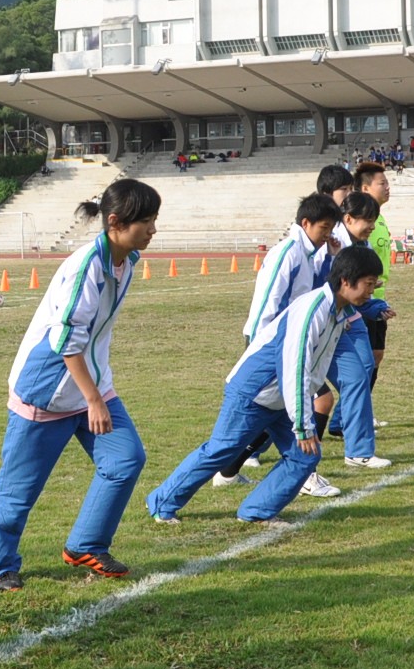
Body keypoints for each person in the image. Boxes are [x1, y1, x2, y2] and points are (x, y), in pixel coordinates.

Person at [0, 180, 159, 588]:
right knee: (19, 491)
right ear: (115, 222)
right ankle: (0, 565)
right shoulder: (87, 267)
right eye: (145, 222)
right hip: (48, 389)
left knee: (125, 459)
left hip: (91, 384)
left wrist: (95, 393)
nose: (152, 230)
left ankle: (86, 544)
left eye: (154, 220)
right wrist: (94, 400)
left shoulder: (125, 260)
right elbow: (65, 342)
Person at [146, 245, 387, 526]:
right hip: (254, 392)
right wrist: (303, 424)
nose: (372, 291)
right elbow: (294, 368)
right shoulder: (312, 310)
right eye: (369, 285)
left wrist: (374, 306)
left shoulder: (339, 309)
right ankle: (162, 502)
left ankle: (256, 512)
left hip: (280, 398)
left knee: (305, 455)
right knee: (221, 450)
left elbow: (305, 371)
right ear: (346, 281)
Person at [212, 193, 343, 496]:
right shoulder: (288, 253)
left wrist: (332, 259)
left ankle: (228, 471)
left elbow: (314, 293)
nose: (327, 235)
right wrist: (259, 346)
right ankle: (305, 474)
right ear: (305, 223)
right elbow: (266, 303)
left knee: (274, 415)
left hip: (285, 342)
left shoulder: (308, 254)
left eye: (330, 229)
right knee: (314, 401)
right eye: (324, 229)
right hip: (272, 344)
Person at [332, 192, 392, 470]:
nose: (370, 225)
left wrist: (376, 307)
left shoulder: (361, 243)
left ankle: (356, 447)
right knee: (283, 392)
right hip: (329, 323)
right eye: (366, 220)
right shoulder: (332, 245)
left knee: (363, 370)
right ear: (348, 218)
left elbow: (358, 294)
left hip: (350, 320)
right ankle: (246, 452)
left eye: (373, 220)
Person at [351, 160, 397, 440]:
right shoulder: (360, 219)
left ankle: (358, 411)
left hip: (377, 298)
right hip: (361, 302)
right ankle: (350, 416)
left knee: (376, 356)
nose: (388, 187)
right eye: (383, 183)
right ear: (366, 188)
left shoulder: (380, 218)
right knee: (363, 361)